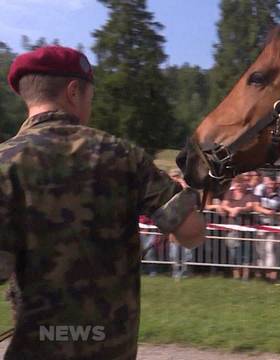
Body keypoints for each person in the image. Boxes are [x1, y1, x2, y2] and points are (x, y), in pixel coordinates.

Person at [0, 46, 205, 359]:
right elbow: (191, 231)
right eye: (90, 97)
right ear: (74, 91)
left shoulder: (4, 164)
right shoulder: (123, 155)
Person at [220, 181, 255, 280]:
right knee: (233, 252)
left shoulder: (248, 195)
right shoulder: (229, 194)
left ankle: (245, 276)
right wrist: (231, 210)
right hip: (232, 228)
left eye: (241, 185)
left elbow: (250, 206)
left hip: (246, 228)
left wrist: (239, 209)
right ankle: (236, 275)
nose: (238, 187)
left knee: (246, 253)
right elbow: (224, 205)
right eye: (237, 185)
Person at [252, 176, 280, 282]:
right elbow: (255, 206)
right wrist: (267, 211)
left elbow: (279, 208)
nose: (271, 185)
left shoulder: (279, 192)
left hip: (273, 226)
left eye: (272, 183)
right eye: (269, 182)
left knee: (270, 250)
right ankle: (261, 274)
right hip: (260, 225)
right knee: (260, 251)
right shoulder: (260, 189)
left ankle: (271, 275)